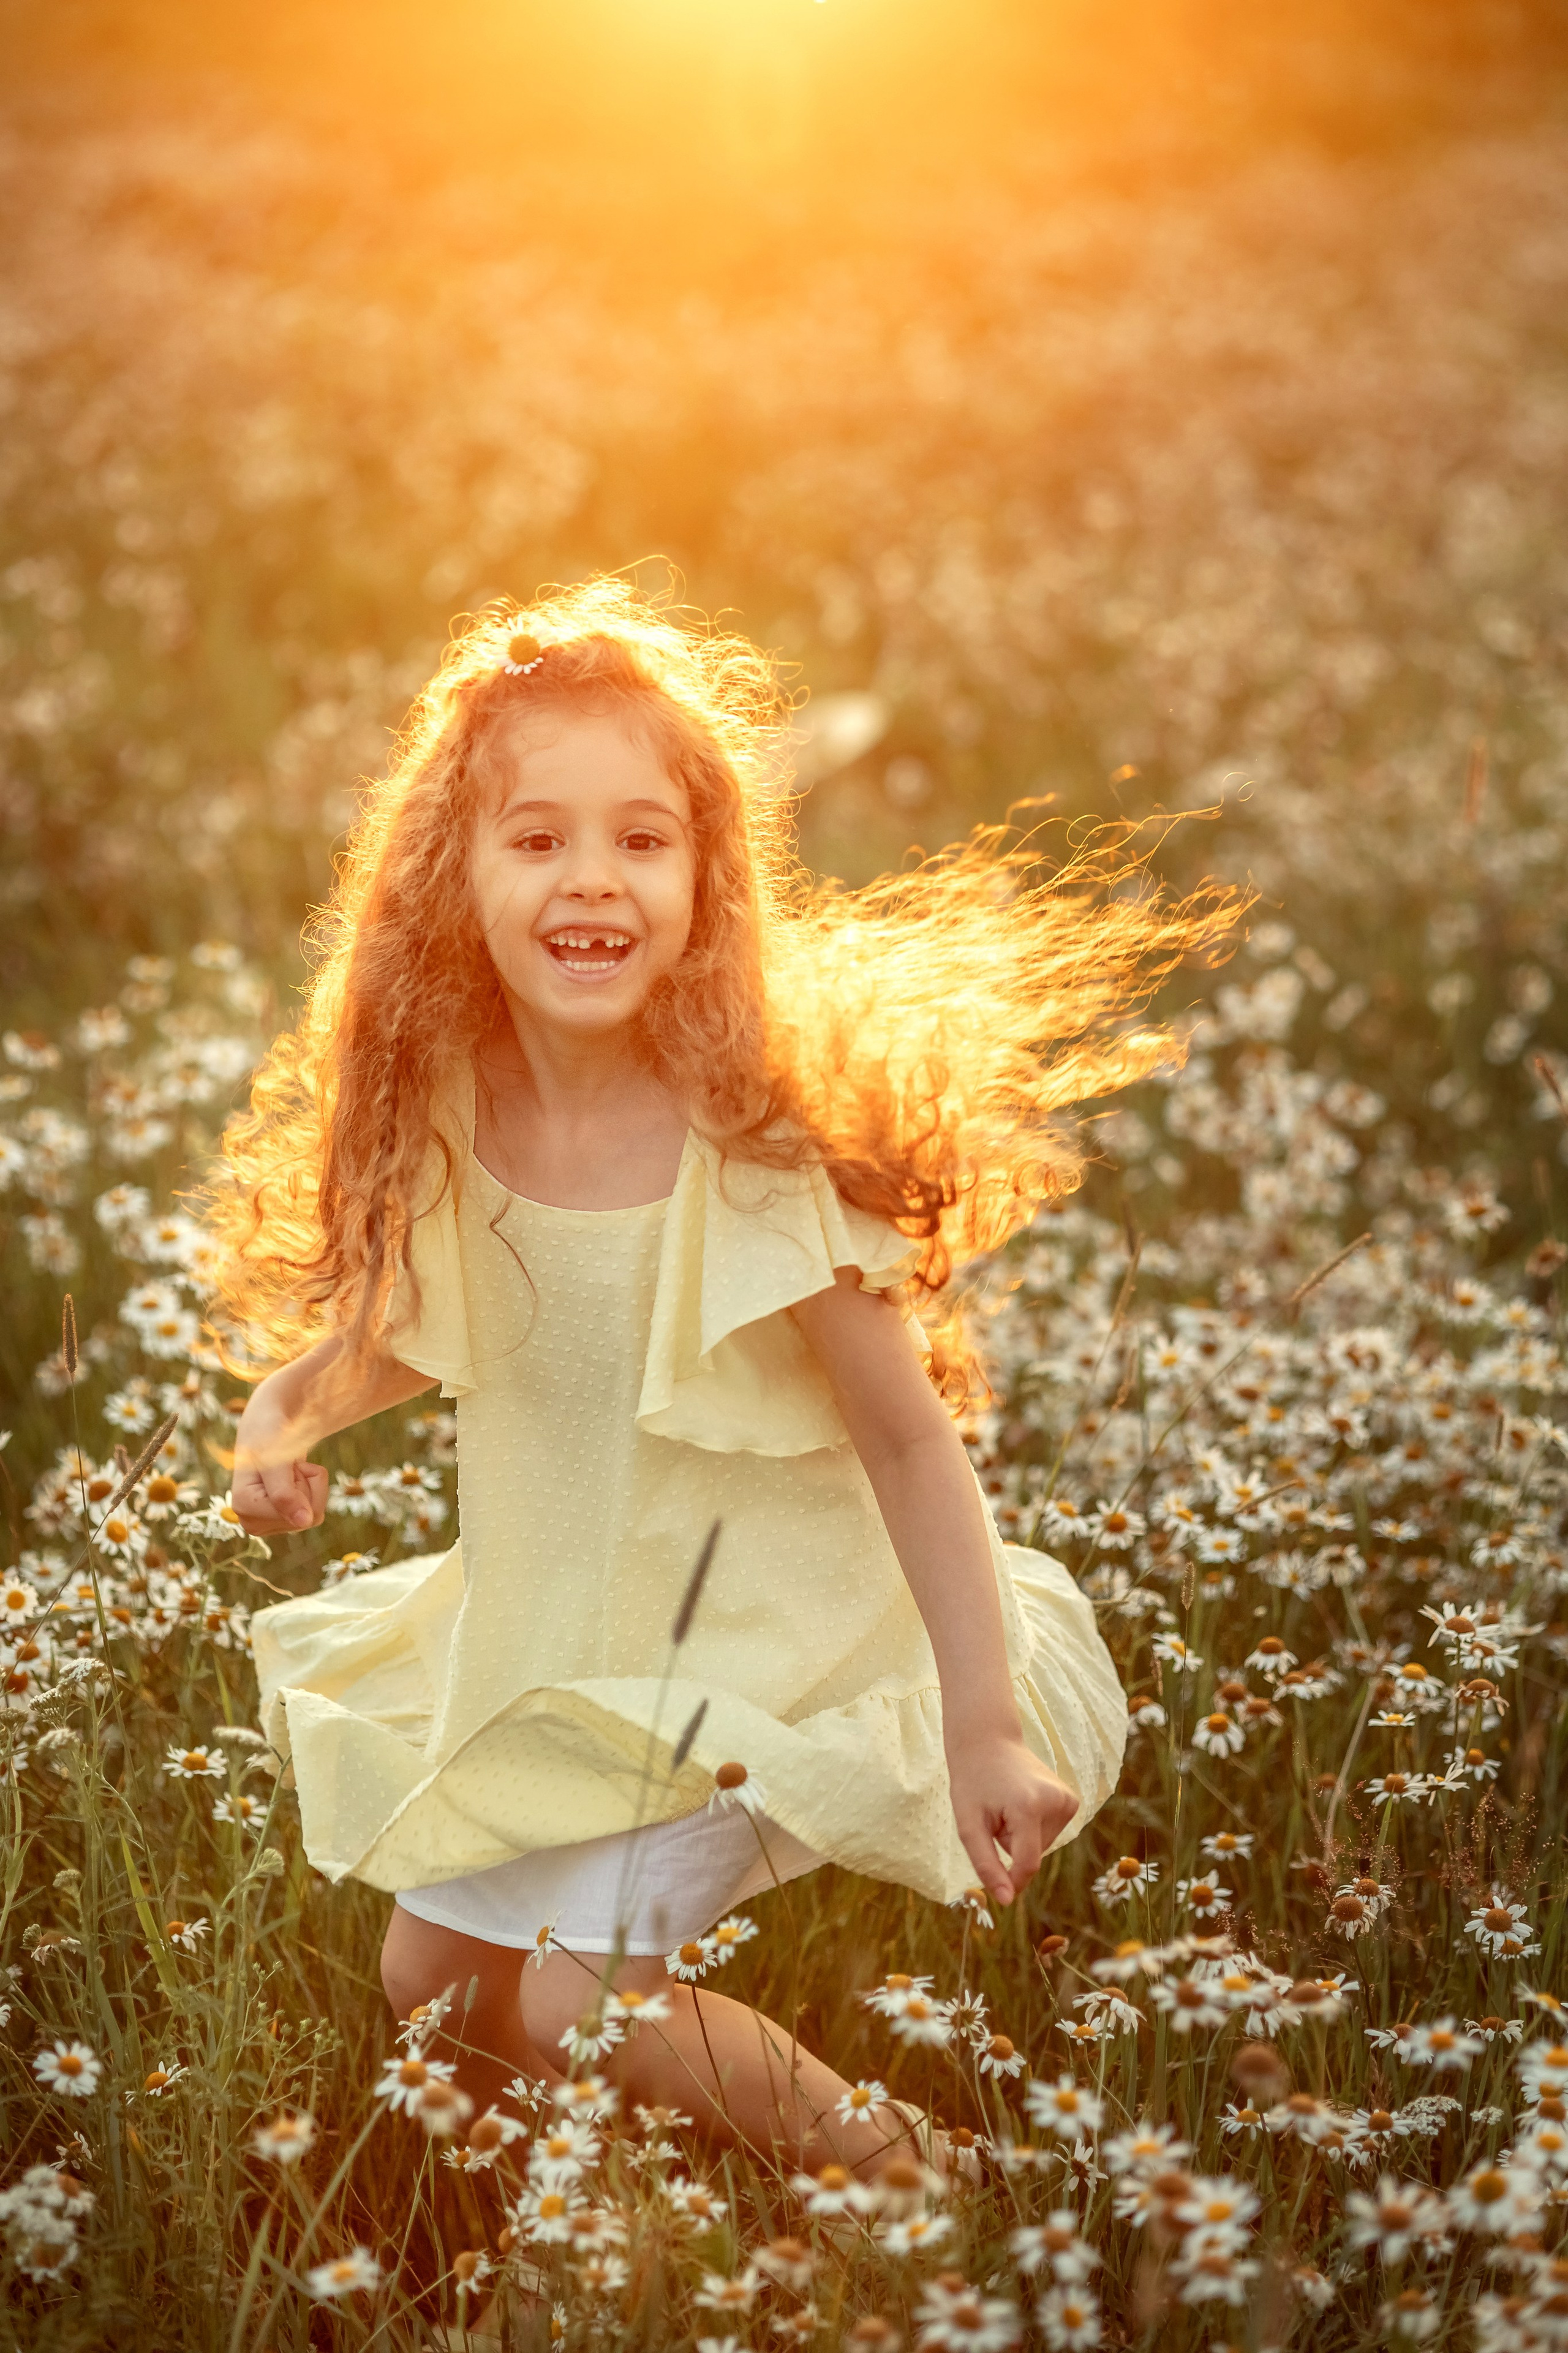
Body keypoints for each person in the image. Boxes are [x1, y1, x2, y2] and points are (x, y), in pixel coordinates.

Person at [223, 578, 1227, 2175]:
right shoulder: (459, 1107)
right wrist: (284, 1414)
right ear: (454, 876)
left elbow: (908, 1444)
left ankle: (905, 2169)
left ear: (704, 875)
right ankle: (553, 2241)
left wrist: (980, 1722)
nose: (591, 877)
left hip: (762, 1653)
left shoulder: (748, 1143)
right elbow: (415, 1329)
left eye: (642, 837)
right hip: (560, 1639)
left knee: (573, 2004)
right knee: (432, 1987)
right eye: (537, 836)